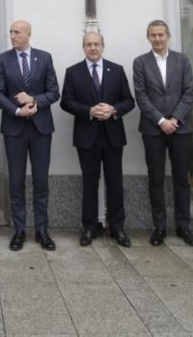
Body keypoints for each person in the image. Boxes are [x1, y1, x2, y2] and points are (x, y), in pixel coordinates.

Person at [61, 31, 135, 247]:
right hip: (87, 136)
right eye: (88, 44)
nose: (92, 48)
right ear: (83, 47)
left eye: (96, 44)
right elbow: (66, 102)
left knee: (115, 182)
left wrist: (113, 109)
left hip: (113, 136)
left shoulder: (116, 70)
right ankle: (89, 227)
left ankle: (117, 227)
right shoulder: (73, 72)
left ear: (103, 46)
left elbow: (129, 101)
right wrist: (90, 111)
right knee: (89, 183)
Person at [0, 19, 60, 251]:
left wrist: (34, 100)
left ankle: (42, 230)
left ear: (29, 33)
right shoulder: (3, 60)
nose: (12, 35)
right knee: (16, 181)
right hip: (14, 129)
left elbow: (54, 92)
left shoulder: (45, 58)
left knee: (41, 181)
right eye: (11, 32)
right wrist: (17, 111)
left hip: (41, 129)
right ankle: (19, 230)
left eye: (17, 32)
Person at [132, 20, 193, 247]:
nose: (157, 38)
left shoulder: (182, 60)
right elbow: (141, 95)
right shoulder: (140, 62)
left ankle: (183, 226)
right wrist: (161, 121)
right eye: (153, 35)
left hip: (180, 128)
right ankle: (159, 227)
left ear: (168, 36)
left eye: (161, 34)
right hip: (153, 129)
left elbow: (189, 92)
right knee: (156, 179)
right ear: (148, 37)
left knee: (182, 179)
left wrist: (175, 119)